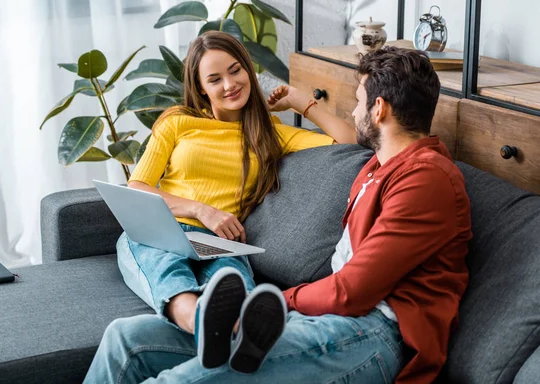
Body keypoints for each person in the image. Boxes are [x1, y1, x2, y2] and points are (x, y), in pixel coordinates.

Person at [85, 44, 471, 383]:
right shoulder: (376, 169)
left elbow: (351, 290)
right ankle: (204, 319)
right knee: (125, 340)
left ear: (380, 109)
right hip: (325, 318)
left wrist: (272, 300)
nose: (354, 112)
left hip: (373, 333)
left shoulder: (426, 179)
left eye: (357, 101)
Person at [83, 31, 356, 383]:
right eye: (215, 79)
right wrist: (200, 209)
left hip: (221, 244)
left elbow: (348, 142)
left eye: (236, 70)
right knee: (171, 278)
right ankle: (209, 329)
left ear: (248, 71)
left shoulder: (270, 134)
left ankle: (232, 332)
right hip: (162, 229)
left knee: (234, 289)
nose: (230, 84)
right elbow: (137, 186)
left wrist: (299, 100)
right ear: (201, 89)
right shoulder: (177, 121)